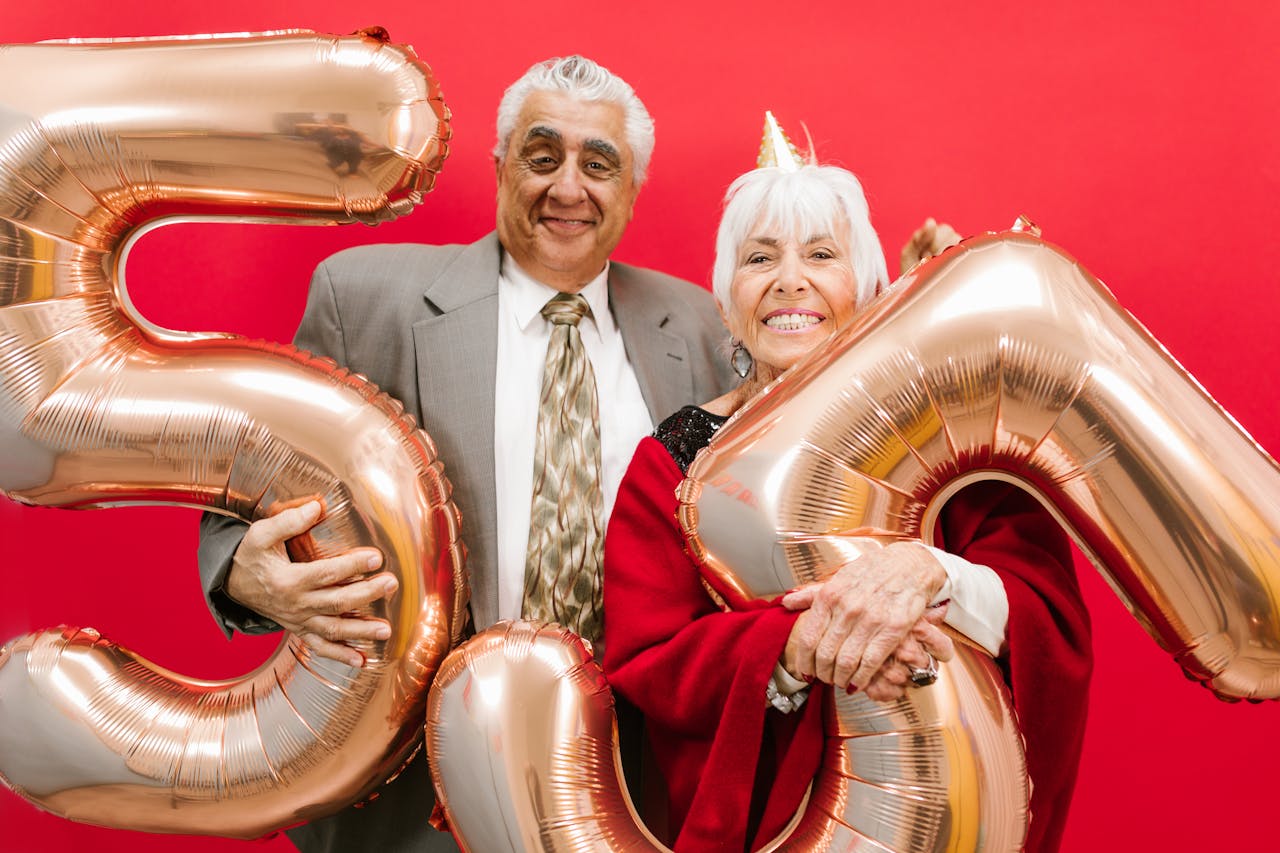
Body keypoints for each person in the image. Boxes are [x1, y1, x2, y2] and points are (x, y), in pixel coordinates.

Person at [196, 55, 737, 852]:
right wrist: (243, 568)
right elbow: (247, 500)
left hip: (631, 782)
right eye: (542, 156)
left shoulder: (696, 325)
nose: (567, 188)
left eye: (599, 164)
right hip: (418, 791)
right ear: (500, 165)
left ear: (631, 189)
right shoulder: (364, 298)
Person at [602, 137, 1093, 852]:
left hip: (951, 815)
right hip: (775, 825)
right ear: (725, 296)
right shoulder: (674, 460)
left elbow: (1047, 613)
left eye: (822, 256)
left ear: (864, 287)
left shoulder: (941, 433)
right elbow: (649, 653)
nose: (789, 281)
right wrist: (797, 643)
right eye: (760, 257)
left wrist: (933, 576)